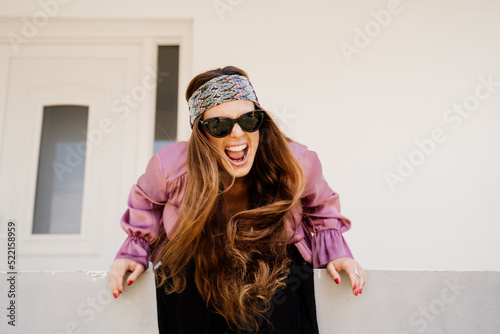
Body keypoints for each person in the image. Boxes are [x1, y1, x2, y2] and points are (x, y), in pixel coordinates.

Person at [108, 66, 366, 334]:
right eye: (219, 125)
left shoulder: (297, 163)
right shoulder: (169, 168)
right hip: (196, 273)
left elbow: (322, 207)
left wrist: (336, 254)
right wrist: (134, 252)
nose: (237, 134)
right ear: (202, 133)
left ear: (261, 123)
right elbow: (146, 203)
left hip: (277, 273)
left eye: (249, 120)